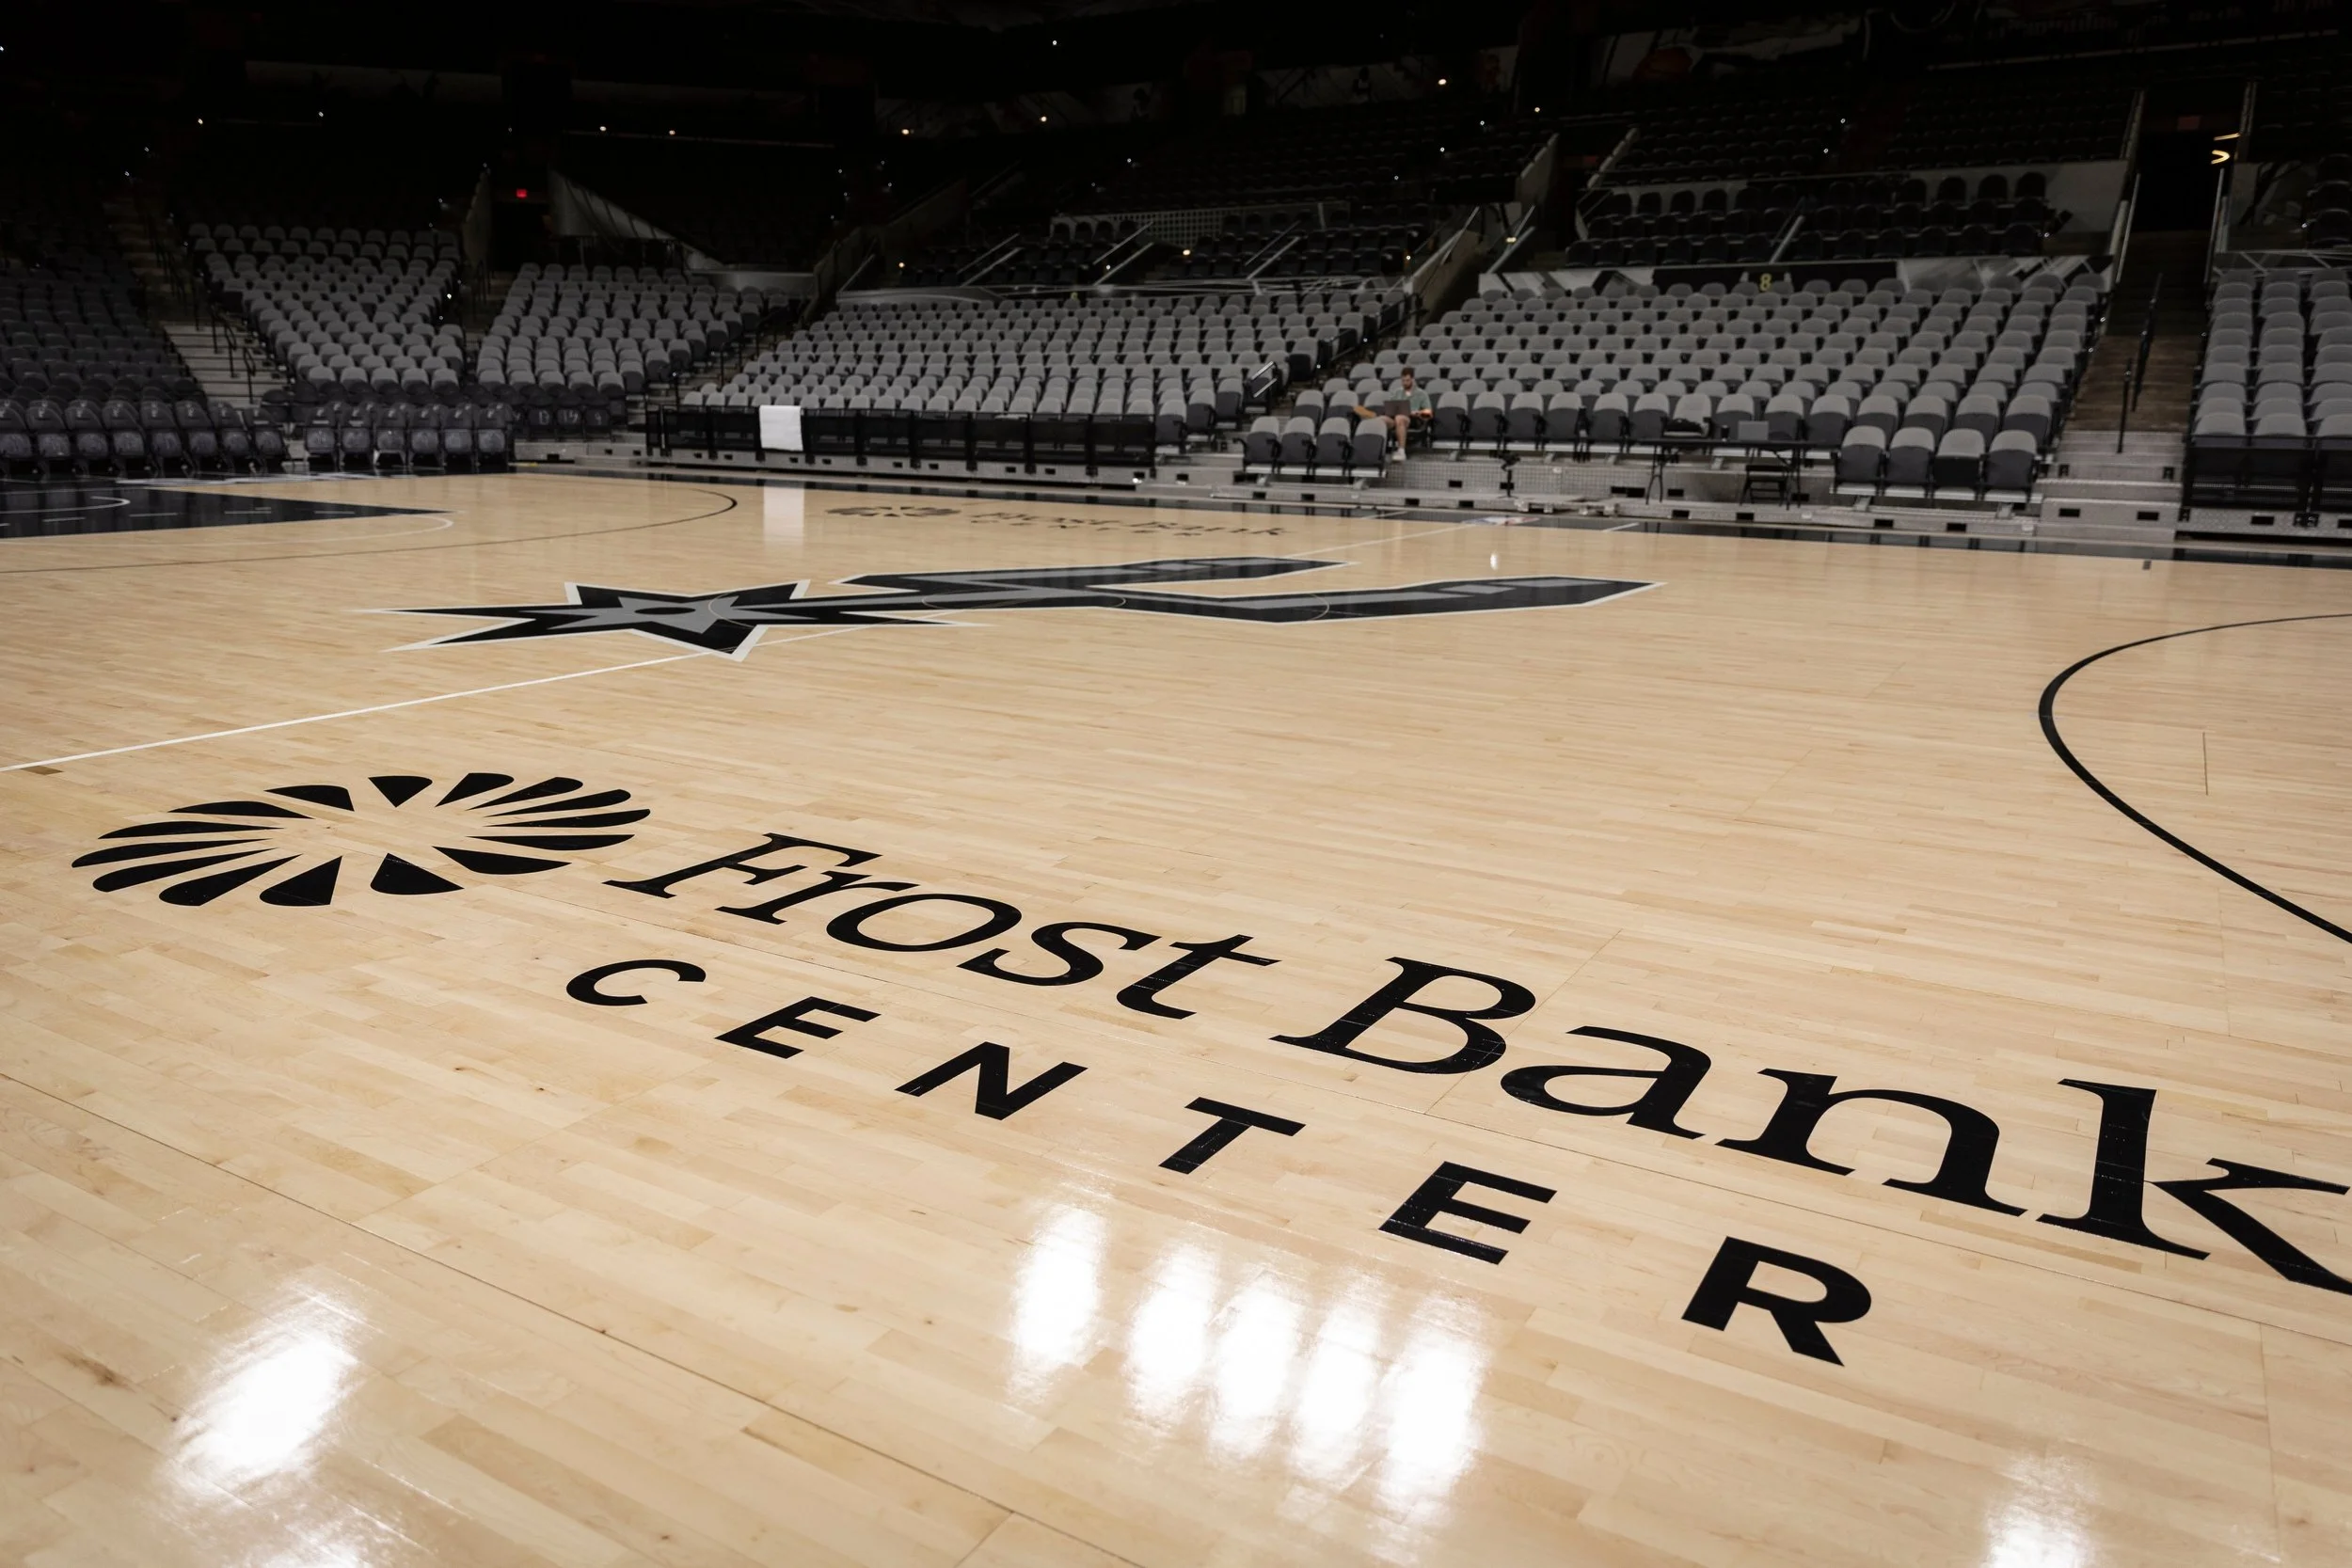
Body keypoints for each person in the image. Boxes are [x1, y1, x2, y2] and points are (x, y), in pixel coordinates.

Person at [1355, 369, 1431, 453]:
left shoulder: (1422, 394)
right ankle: (1376, 450)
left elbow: (1428, 413)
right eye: (1403, 381)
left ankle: (1401, 451)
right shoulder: (1397, 392)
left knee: (1400, 417)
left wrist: (1417, 412)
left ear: (1413, 380)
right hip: (1395, 418)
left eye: (1407, 380)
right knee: (1381, 419)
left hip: (1413, 419)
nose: (1405, 383)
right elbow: (1391, 407)